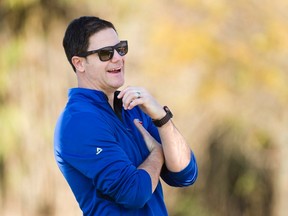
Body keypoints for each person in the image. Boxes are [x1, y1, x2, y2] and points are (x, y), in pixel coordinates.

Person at [54, 16, 198, 216]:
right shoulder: (78, 122)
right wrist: (157, 154)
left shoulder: (134, 106)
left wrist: (162, 120)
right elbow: (134, 193)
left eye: (120, 48)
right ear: (79, 63)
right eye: (105, 53)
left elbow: (185, 174)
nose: (118, 58)